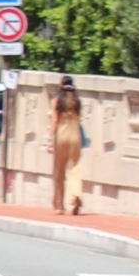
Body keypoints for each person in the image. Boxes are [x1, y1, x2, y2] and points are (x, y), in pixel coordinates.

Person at [49, 78, 85, 214]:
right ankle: (75, 197)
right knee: (74, 168)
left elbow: (54, 120)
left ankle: (59, 205)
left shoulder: (57, 102)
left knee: (58, 171)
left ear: (61, 86)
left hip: (61, 136)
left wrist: (49, 140)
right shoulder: (77, 102)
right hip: (75, 136)